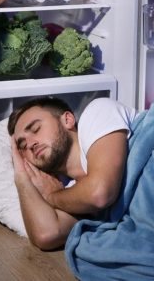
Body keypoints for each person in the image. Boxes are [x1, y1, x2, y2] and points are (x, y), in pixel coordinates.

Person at [7, 96, 137, 250]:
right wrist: (21, 177)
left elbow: (99, 194)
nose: (30, 144)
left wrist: (51, 196)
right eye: (22, 145)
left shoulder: (97, 113)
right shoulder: (70, 192)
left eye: (36, 129)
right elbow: (47, 235)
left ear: (67, 120)